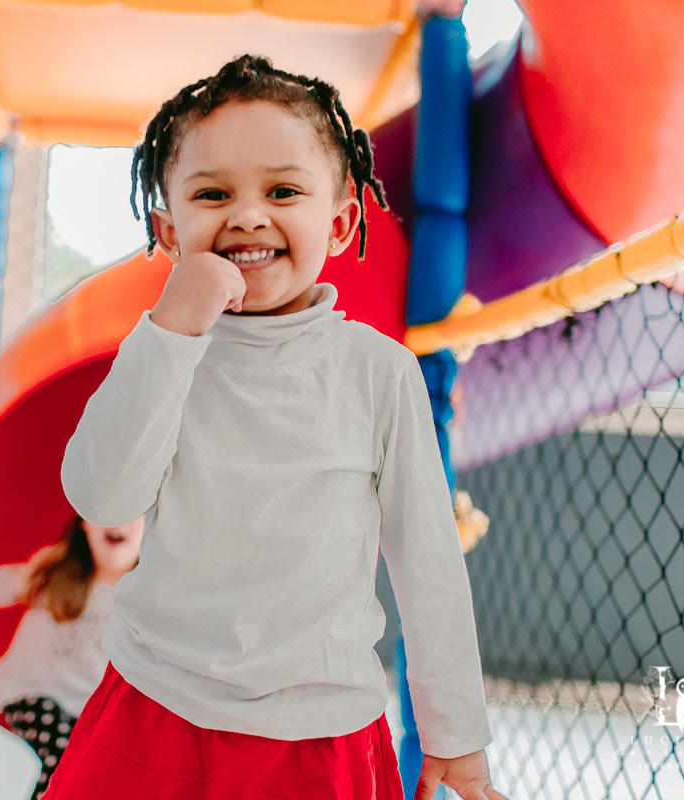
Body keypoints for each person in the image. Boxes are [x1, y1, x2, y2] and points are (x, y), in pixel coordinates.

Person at [52, 55, 507, 800]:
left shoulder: (378, 372)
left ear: (338, 224)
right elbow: (103, 497)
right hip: (154, 708)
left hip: (318, 734)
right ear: (168, 230)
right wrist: (171, 326)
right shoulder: (165, 354)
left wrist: (456, 740)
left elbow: (428, 564)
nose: (248, 214)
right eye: (212, 194)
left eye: (283, 190)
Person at [0, 514, 143, 800]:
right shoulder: (55, 573)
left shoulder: (145, 602)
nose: (118, 522)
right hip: (30, 691)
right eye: (105, 512)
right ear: (84, 522)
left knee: (91, 769)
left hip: (87, 713)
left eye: (133, 515)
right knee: (60, 752)